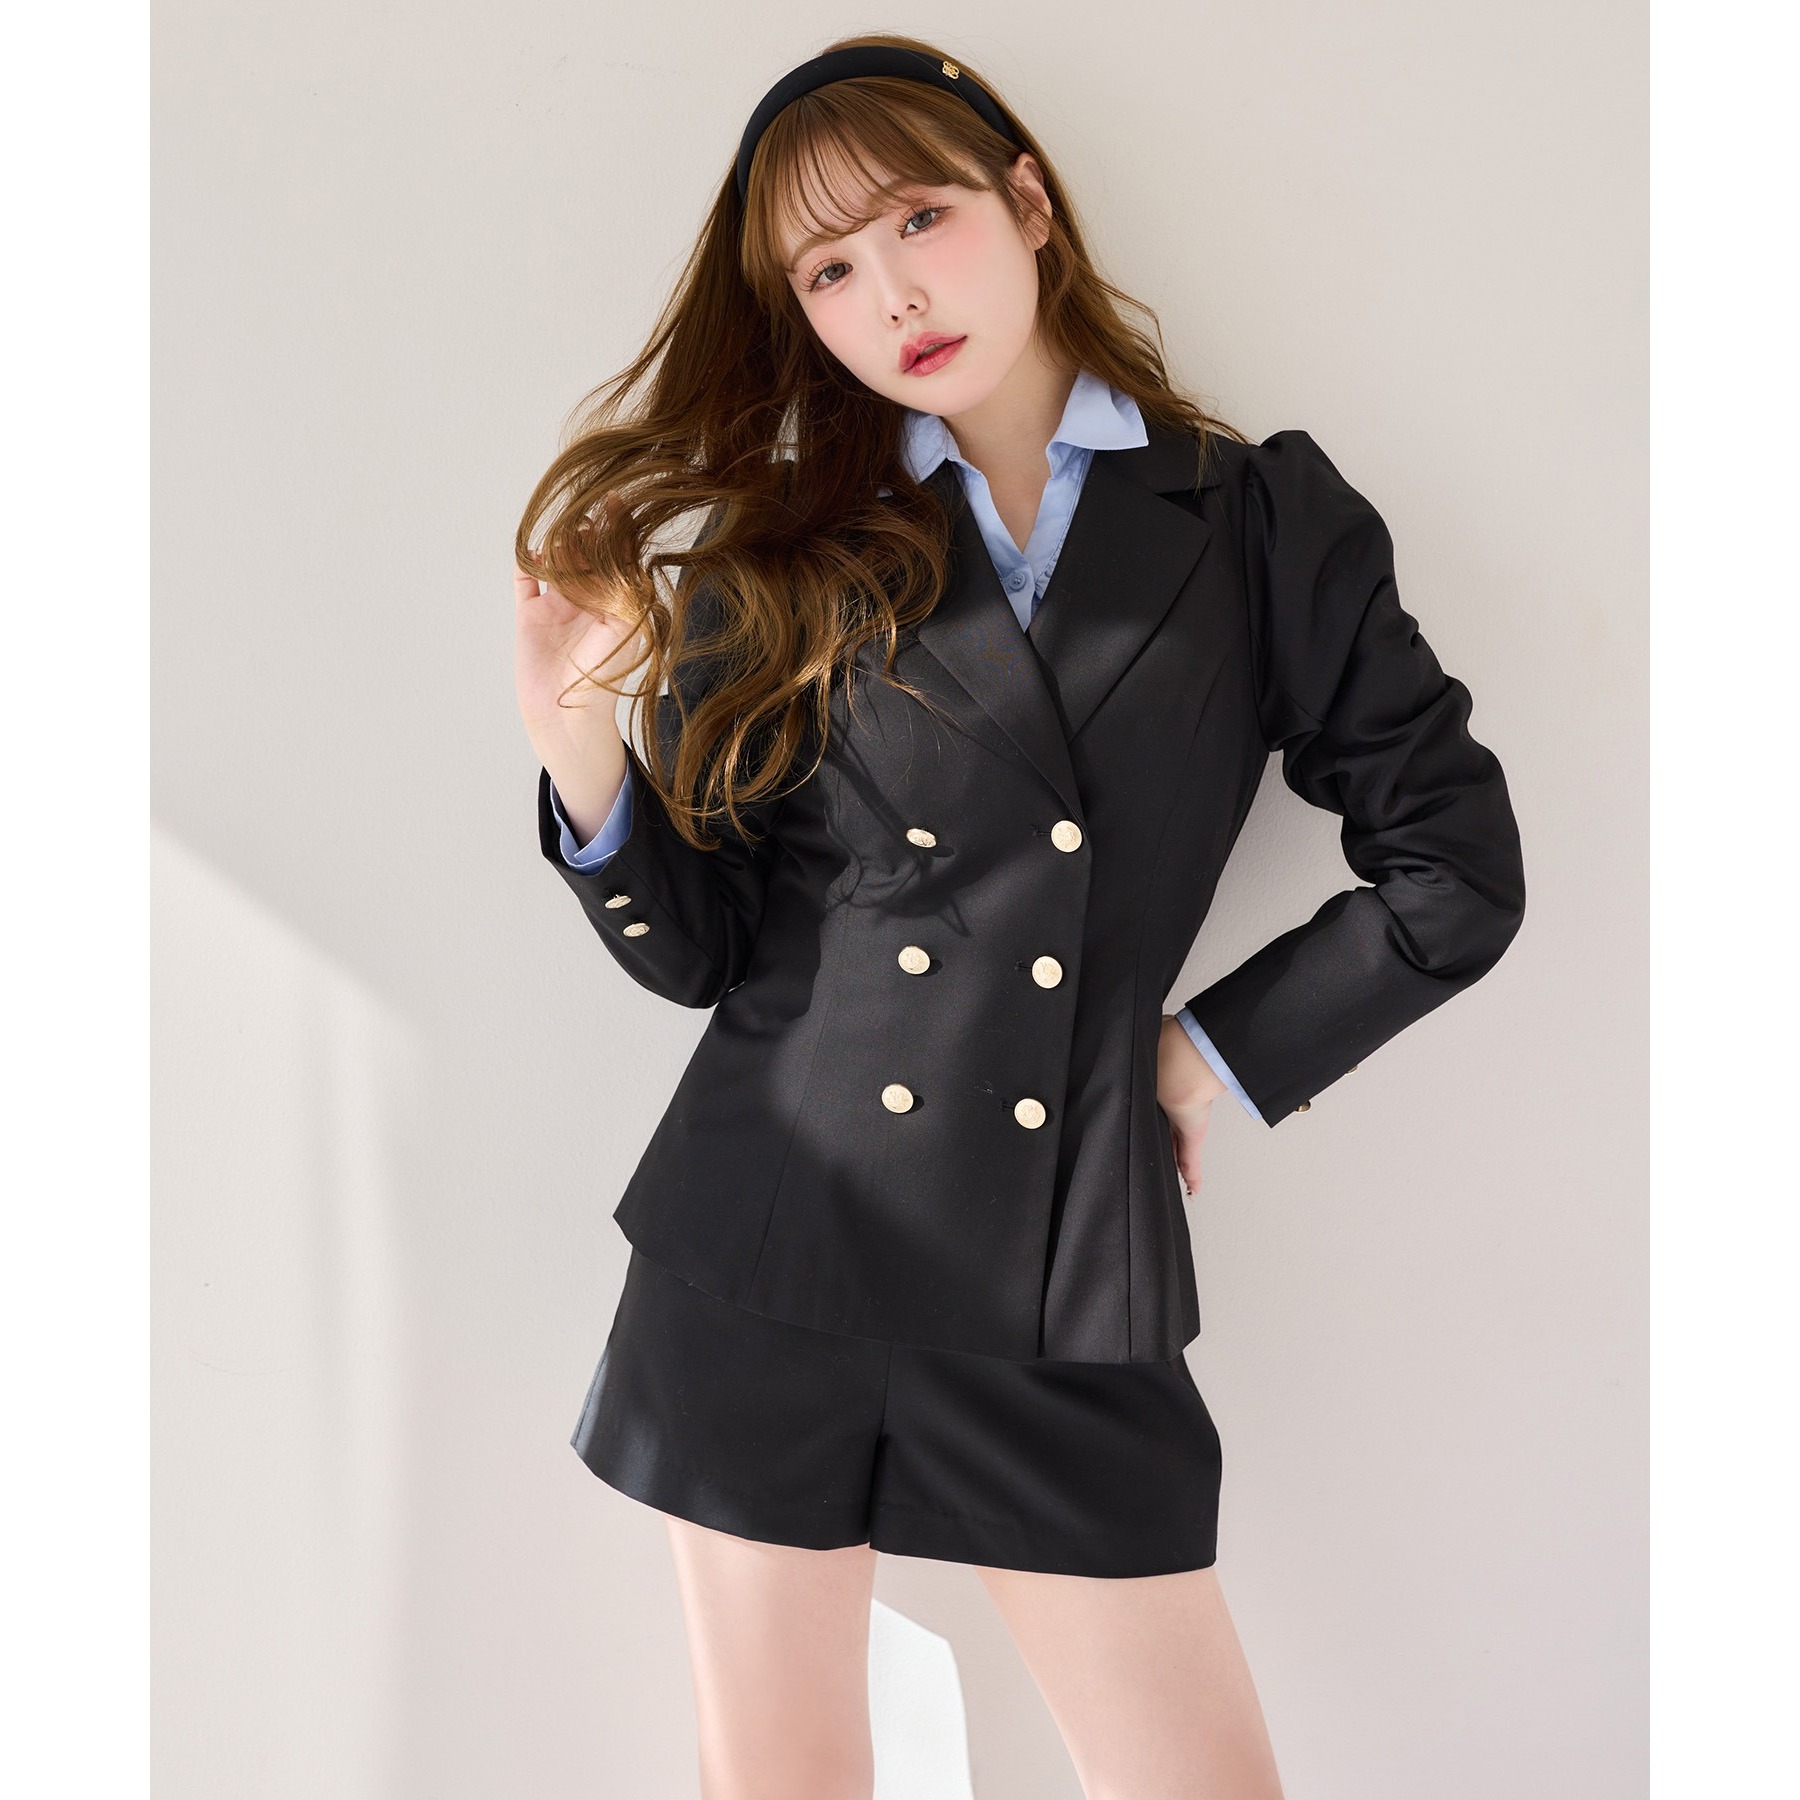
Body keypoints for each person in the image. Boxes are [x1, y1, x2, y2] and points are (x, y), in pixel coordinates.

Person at [513, 33, 1524, 1800]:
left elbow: (1456, 869)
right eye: (830, 270)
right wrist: (581, 754)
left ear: (1029, 205)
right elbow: (706, 954)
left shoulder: (1257, 518)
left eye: (921, 218)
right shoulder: (783, 553)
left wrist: (1198, 1058)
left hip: (1063, 1269)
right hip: (763, 1251)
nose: (893, 294)